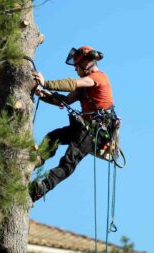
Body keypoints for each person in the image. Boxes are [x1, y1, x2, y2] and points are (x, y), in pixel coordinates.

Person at [30, 46, 115, 201]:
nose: (75, 69)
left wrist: (46, 83)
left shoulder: (97, 78)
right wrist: (43, 94)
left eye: (77, 65)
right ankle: (37, 159)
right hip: (85, 128)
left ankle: (43, 187)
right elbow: (66, 100)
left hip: (96, 132)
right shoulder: (85, 85)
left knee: (69, 161)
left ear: (86, 63)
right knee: (53, 137)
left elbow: (72, 83)